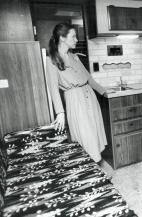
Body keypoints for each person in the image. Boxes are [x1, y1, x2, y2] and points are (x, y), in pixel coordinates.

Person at [47, 23, 107, 164]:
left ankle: (96, 170)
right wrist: (60, 113)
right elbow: (53, 88)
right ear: (62, 38)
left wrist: (104, 92)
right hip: (75, 100)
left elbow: (89, 79)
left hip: (90, 98)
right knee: (85, 136)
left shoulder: (75, 57)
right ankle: (90, 170)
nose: (76, 39)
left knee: (94, 134)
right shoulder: (51, 60)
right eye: (73, 36)